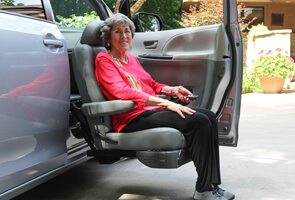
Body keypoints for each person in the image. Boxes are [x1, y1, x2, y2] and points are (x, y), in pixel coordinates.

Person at [95, 13, 235, 200]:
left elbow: (152, 85)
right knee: (198, 121)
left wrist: (173, 90)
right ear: (108, 38)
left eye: (127, 31)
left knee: (208, 116)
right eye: (118, 32)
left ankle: (211, 185)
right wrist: (166, 103)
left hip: (149, 110)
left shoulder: (132, 60)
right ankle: (204, 190)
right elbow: (122, 92)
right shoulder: (104, 60)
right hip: (130, 117)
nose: (124, 36)